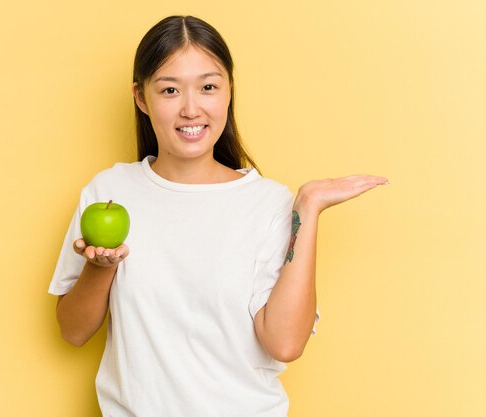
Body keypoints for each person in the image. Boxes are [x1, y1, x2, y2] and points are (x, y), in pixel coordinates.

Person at [49, 15, 388, 417]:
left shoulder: (268, 204)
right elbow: (72, 331)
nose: (191, 109)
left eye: (208, 87)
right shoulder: (110, 192)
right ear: (142, 98)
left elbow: (284, 344)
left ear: (228, 92)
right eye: (170, 90)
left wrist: (307, 210)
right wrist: (103, 268)